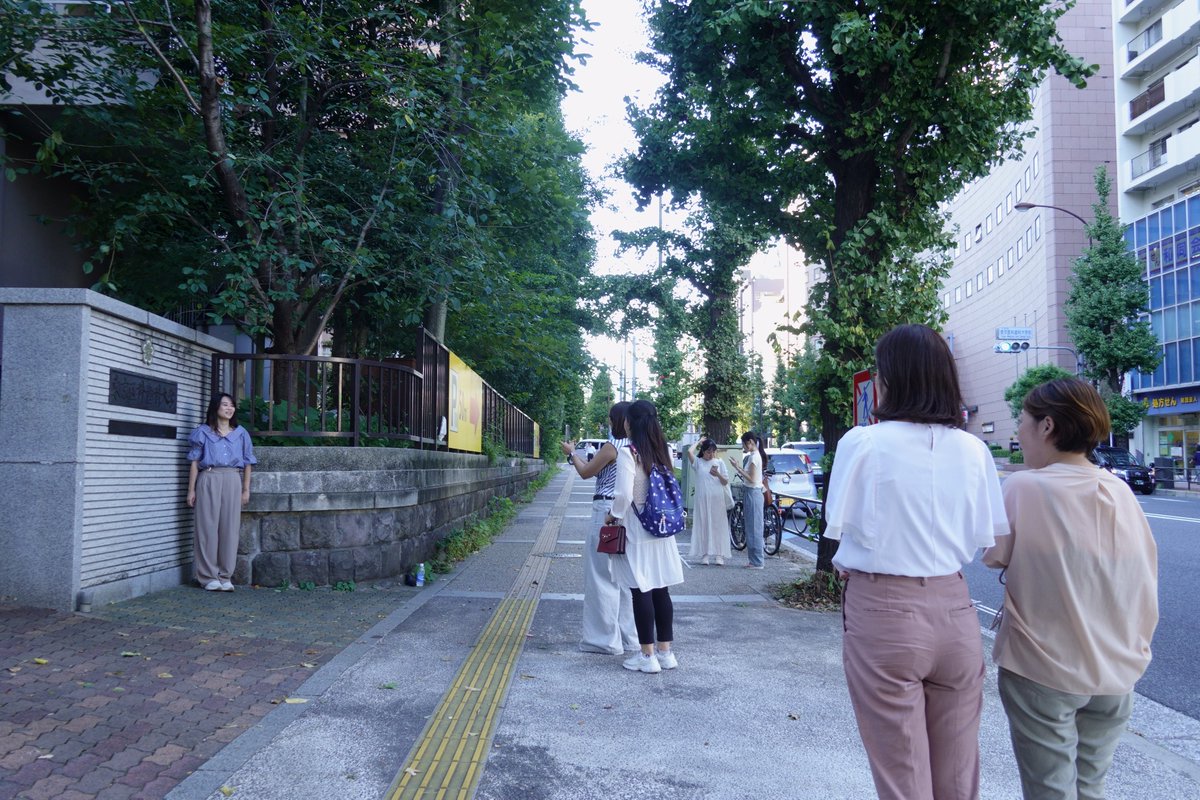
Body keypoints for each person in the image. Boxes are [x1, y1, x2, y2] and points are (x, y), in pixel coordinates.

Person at [823, 323, 1007, 800]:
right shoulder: (974, 449)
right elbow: (986, 538)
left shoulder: (861, 443)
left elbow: (838, 528)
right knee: (958, 770)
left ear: (890, 379)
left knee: (902, 771)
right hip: (956, 607)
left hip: (883, 609)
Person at [983, 378, 1158, 800]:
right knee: (1090, 787)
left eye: (1022, 421)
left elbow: (994, 556)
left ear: (1047, 427)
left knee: (1049, 791)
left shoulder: (1024, 487)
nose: (1017, 433)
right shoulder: (1119, 490)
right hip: (1116, 671)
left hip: (1043, 667)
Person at [605, 399, 685, 674]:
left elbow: (624, 494)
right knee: (661, 588)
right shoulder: (663, 450)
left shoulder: (630, 453)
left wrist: (612, 515)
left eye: (627, 419)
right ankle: (666, 653)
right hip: (662, 529)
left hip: (638, 528)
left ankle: (646, 656)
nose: (624, 423)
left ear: (633, 422)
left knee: (641, 589)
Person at [560, 404, 638, 655]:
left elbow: (584, 473)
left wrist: (572, 453)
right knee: (624, 579)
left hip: (605, 511)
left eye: (609, 418)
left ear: (618, 420)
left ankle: (604, 640)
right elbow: (600, 473)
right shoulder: (637, 446)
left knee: (601, 576)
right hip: (628, 511)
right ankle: (630, 639)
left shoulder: (612, 446)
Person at [186, 393, 257, 592]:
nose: (229, 408)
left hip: (233, 479)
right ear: (215, 407)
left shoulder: (241, 433)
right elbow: (194, 462)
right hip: (208, 477)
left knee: (230, 528)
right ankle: (208, 577)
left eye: (232, 405)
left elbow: (248, 462)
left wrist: (245, 489)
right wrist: (191, 490)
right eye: (225, 404)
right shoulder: (203, 432)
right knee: (207, 528)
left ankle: (225, 576)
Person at [686, 438, 733, 565]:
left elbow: (725, 482)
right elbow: (689, 452)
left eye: (713, 452)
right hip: (702, 499)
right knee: (703, 525)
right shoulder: (698, 462)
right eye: (708, 452)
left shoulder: (719, 462)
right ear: (703, 451)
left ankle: (719, 555)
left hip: (717, 499)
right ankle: (704, 554)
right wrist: (698, 441)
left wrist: (717, 474)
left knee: (718, 525)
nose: (711, 454)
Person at [728, 431, 767, 569]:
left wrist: (737, 467)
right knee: (752, 526)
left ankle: (757, 561)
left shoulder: (754, 457)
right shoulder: (753, 456)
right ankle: (754, 560)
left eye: (744, 444)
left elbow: (751, 478)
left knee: (754, 527)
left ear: (750, 442)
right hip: (753, 492)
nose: (743, 447)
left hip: (753, 492)